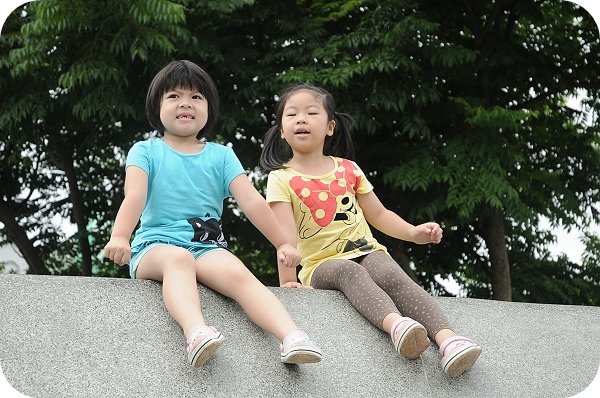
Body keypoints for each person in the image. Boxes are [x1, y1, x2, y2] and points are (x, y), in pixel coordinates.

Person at [103, 61, 322, 368]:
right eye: (174, 96)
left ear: (209, 108)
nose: (185, 103)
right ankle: (196, 332)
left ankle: (292, 336)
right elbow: (135, 195)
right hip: (154, 248)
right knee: (178, 259)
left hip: (207, 247)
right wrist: (120, 236)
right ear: (156, 106)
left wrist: (282, 243)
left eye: (196, 97)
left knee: (239, 274)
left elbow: (252, 201)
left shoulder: (221, 155)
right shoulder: (146, 150)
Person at [260, 82, 481, 377]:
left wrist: (413, 233)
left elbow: (378, 214)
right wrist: (287, 280)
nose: (301, 119)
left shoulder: (349, 169)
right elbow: (284, 236)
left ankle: (449, 340)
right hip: (321, 265)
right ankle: (397, 326)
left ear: (330, 127)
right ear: (282, 131)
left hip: (365, 249)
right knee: (350, 272)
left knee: (390, 272)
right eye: (292, 115)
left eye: (312, 112)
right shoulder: (280, 178)